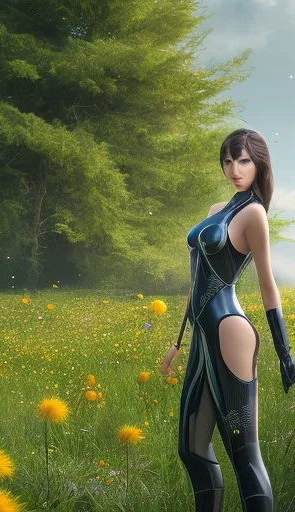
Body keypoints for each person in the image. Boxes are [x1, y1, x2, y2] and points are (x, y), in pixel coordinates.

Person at [160, 128, 295, 511]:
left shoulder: (254, 213)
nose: (234, 169)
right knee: (191, 448)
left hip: (230, 330)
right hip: (203, 336)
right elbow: (195, 282)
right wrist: (178, 342)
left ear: (259, 165)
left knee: (244, 455)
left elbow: (268, 285)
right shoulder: (215, 211)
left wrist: (285, 353)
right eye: (228, 160)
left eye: (244, 161)